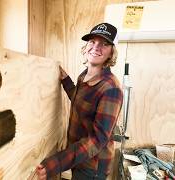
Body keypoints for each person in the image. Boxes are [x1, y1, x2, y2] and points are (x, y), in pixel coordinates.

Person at [36, 22, 123, 180]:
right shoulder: (84, 76)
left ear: (111, 53)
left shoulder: (111, 89)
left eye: (104, 44)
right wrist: (66, 81)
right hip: (79, 158)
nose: (96, 47)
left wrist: (56, 163)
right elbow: (80, 102)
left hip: (93, 168)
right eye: (92, 41)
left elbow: (97, 140)